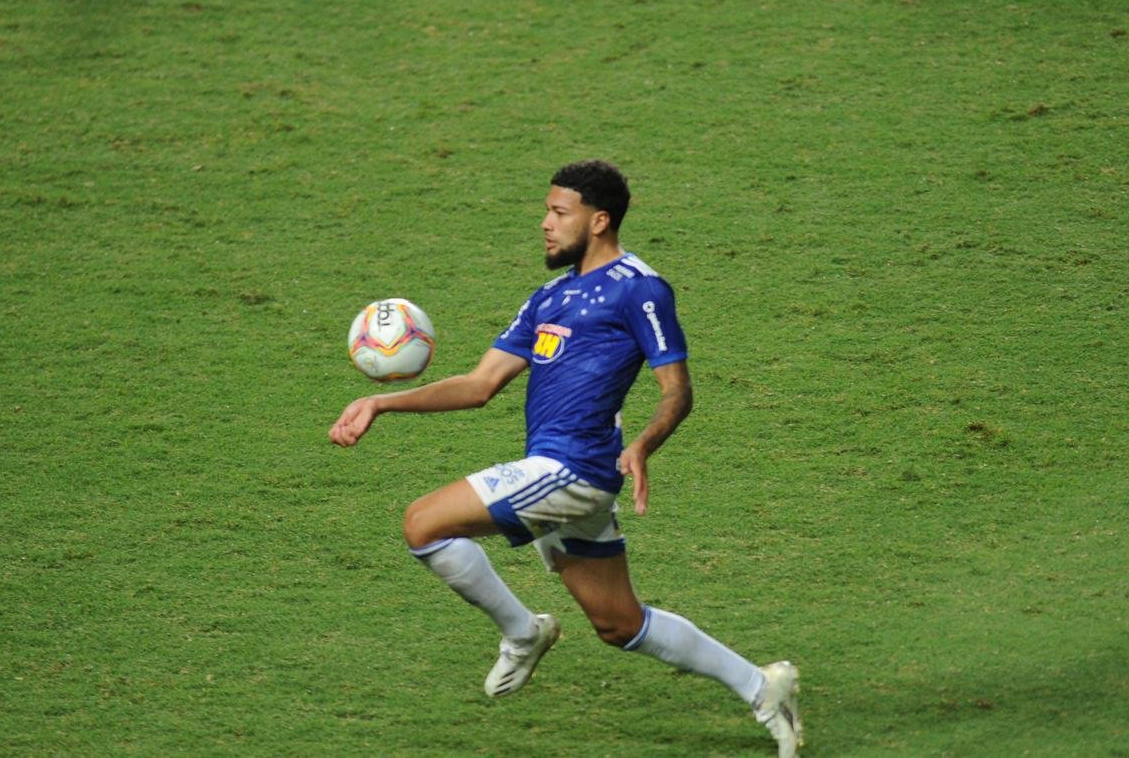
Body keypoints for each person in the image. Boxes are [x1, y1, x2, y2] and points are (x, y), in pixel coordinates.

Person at [329, 160, 803, 757]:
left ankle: (523, 632)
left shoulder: (640, 288)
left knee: (422, 523)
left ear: (598, 220)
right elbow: (479, 385)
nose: (545, 224)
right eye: (546, 211)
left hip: (576, 469)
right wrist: (381, 401)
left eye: (559, 213)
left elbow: (677, 390)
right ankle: (765, 687)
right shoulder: (548, 297)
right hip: (559, 471)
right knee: (619, 624)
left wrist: (644, 443)